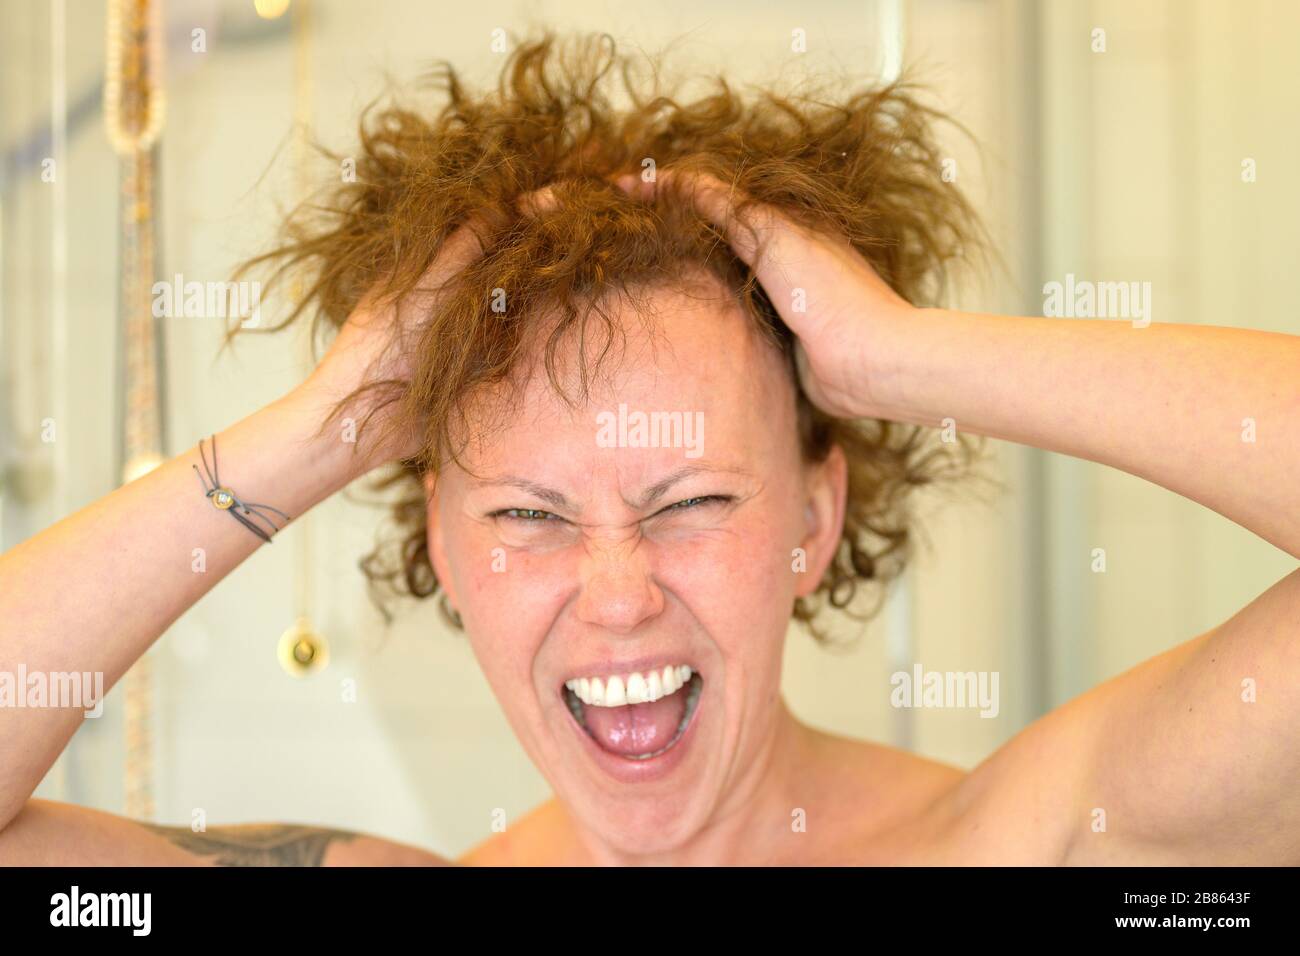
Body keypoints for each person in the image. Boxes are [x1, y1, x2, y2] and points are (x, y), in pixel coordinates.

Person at [1, 34, 1297, 866]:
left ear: (815, 519)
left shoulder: (1036, 849)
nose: (618, 596)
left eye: (689, 501)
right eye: (526, 516)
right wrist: (319, 430)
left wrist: (905, 357)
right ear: (439, 546)